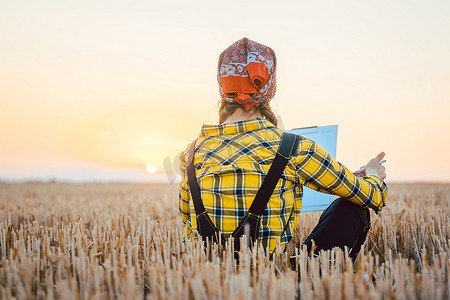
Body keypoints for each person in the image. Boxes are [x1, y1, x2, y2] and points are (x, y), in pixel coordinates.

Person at [178, 37, 387, 261]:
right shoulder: (295, 148)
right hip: (273, 283)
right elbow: (372, 197)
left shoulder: (191, 154)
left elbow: (187, 221)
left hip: (204, 281)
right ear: (269, 90)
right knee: (352, 207)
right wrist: (374, 175)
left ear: (223, 88)